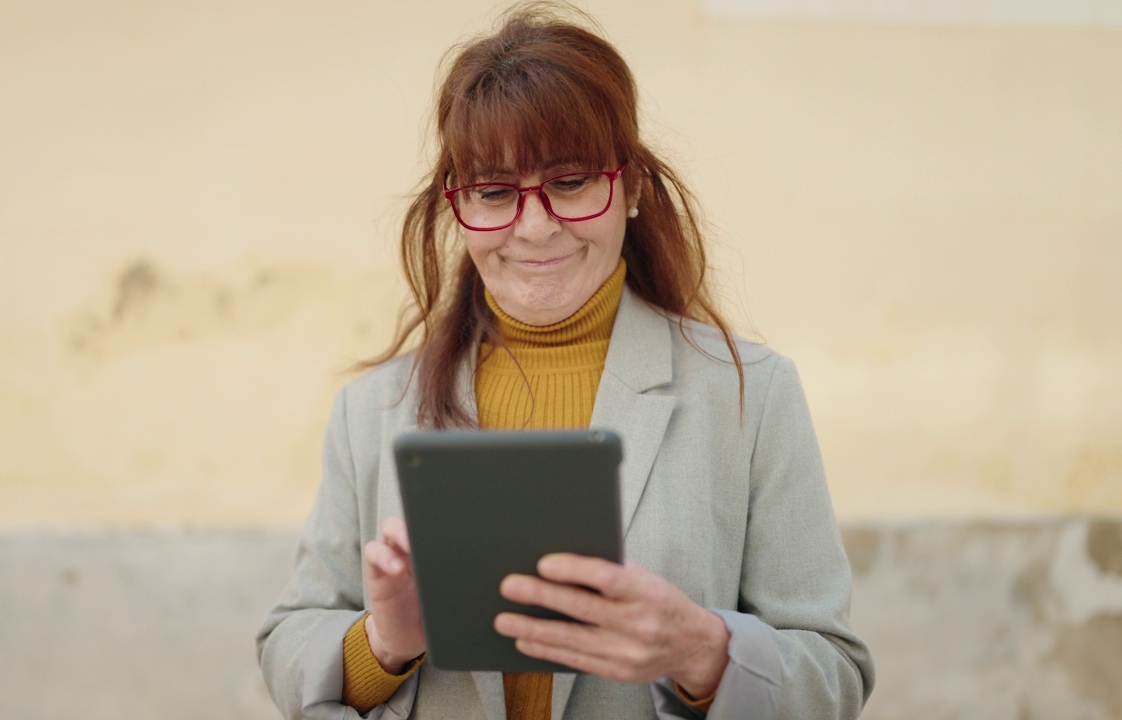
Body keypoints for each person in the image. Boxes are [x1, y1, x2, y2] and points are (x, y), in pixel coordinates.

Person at [256, 3, 874, 718]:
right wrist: (384, 643)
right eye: (494, 192)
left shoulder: (748, 396)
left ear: (632, 186)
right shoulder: (372, 409)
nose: (536, 226)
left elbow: (836, 674)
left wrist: (702, 651)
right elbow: (286, 644)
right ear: (457, 207)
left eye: (571, 183)